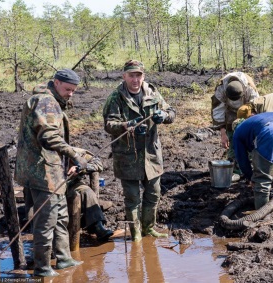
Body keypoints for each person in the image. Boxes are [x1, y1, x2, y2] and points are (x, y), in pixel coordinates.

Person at [15, 69, 85, 277]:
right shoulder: (46, 102)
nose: (70, 94)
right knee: (46, 221)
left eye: (73, 90)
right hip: (41, 171)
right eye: (67, 89)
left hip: (51, 169)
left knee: (61, 214)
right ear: (55, 83)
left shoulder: (50, 99)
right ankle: (42, 267)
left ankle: (63, 258)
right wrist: (74, 154)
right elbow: (48, 136)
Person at [102, 59, 175, 242]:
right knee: (132, 198)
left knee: (153, 194)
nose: (135, 80)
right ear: (124, 76)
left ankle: (148, 228)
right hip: (128, 156)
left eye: (138, 75)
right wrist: (126, 125)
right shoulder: (116, 97)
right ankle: (135, 234)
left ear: (143, 76)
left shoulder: (152, 92)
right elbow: (109, 125)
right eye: (131, 75)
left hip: (151, 154)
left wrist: (164, 116)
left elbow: (171, 113)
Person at [232, 111, 273, 209]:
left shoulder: (237, 134)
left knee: (262, 178)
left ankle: (262, 212)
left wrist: (251, 178)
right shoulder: (254, 121)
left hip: (270, 131)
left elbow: (242, 161)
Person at [211, 72, 259, 182]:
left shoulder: (249, 88)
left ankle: (249, 167)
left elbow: (256, 106)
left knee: (249, 139)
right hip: (230, 112)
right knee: (232, 138)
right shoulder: (220, 89)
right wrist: (223, 134)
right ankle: (234, 167)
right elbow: (218, 111)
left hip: (247, 110)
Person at [66, 148, 114, 241]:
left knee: (87, 192)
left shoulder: (78, 153)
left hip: (73, 185)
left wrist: (80, 167)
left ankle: (98, 226)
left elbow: (98, 164)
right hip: (52, 188)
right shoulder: (48, 154)